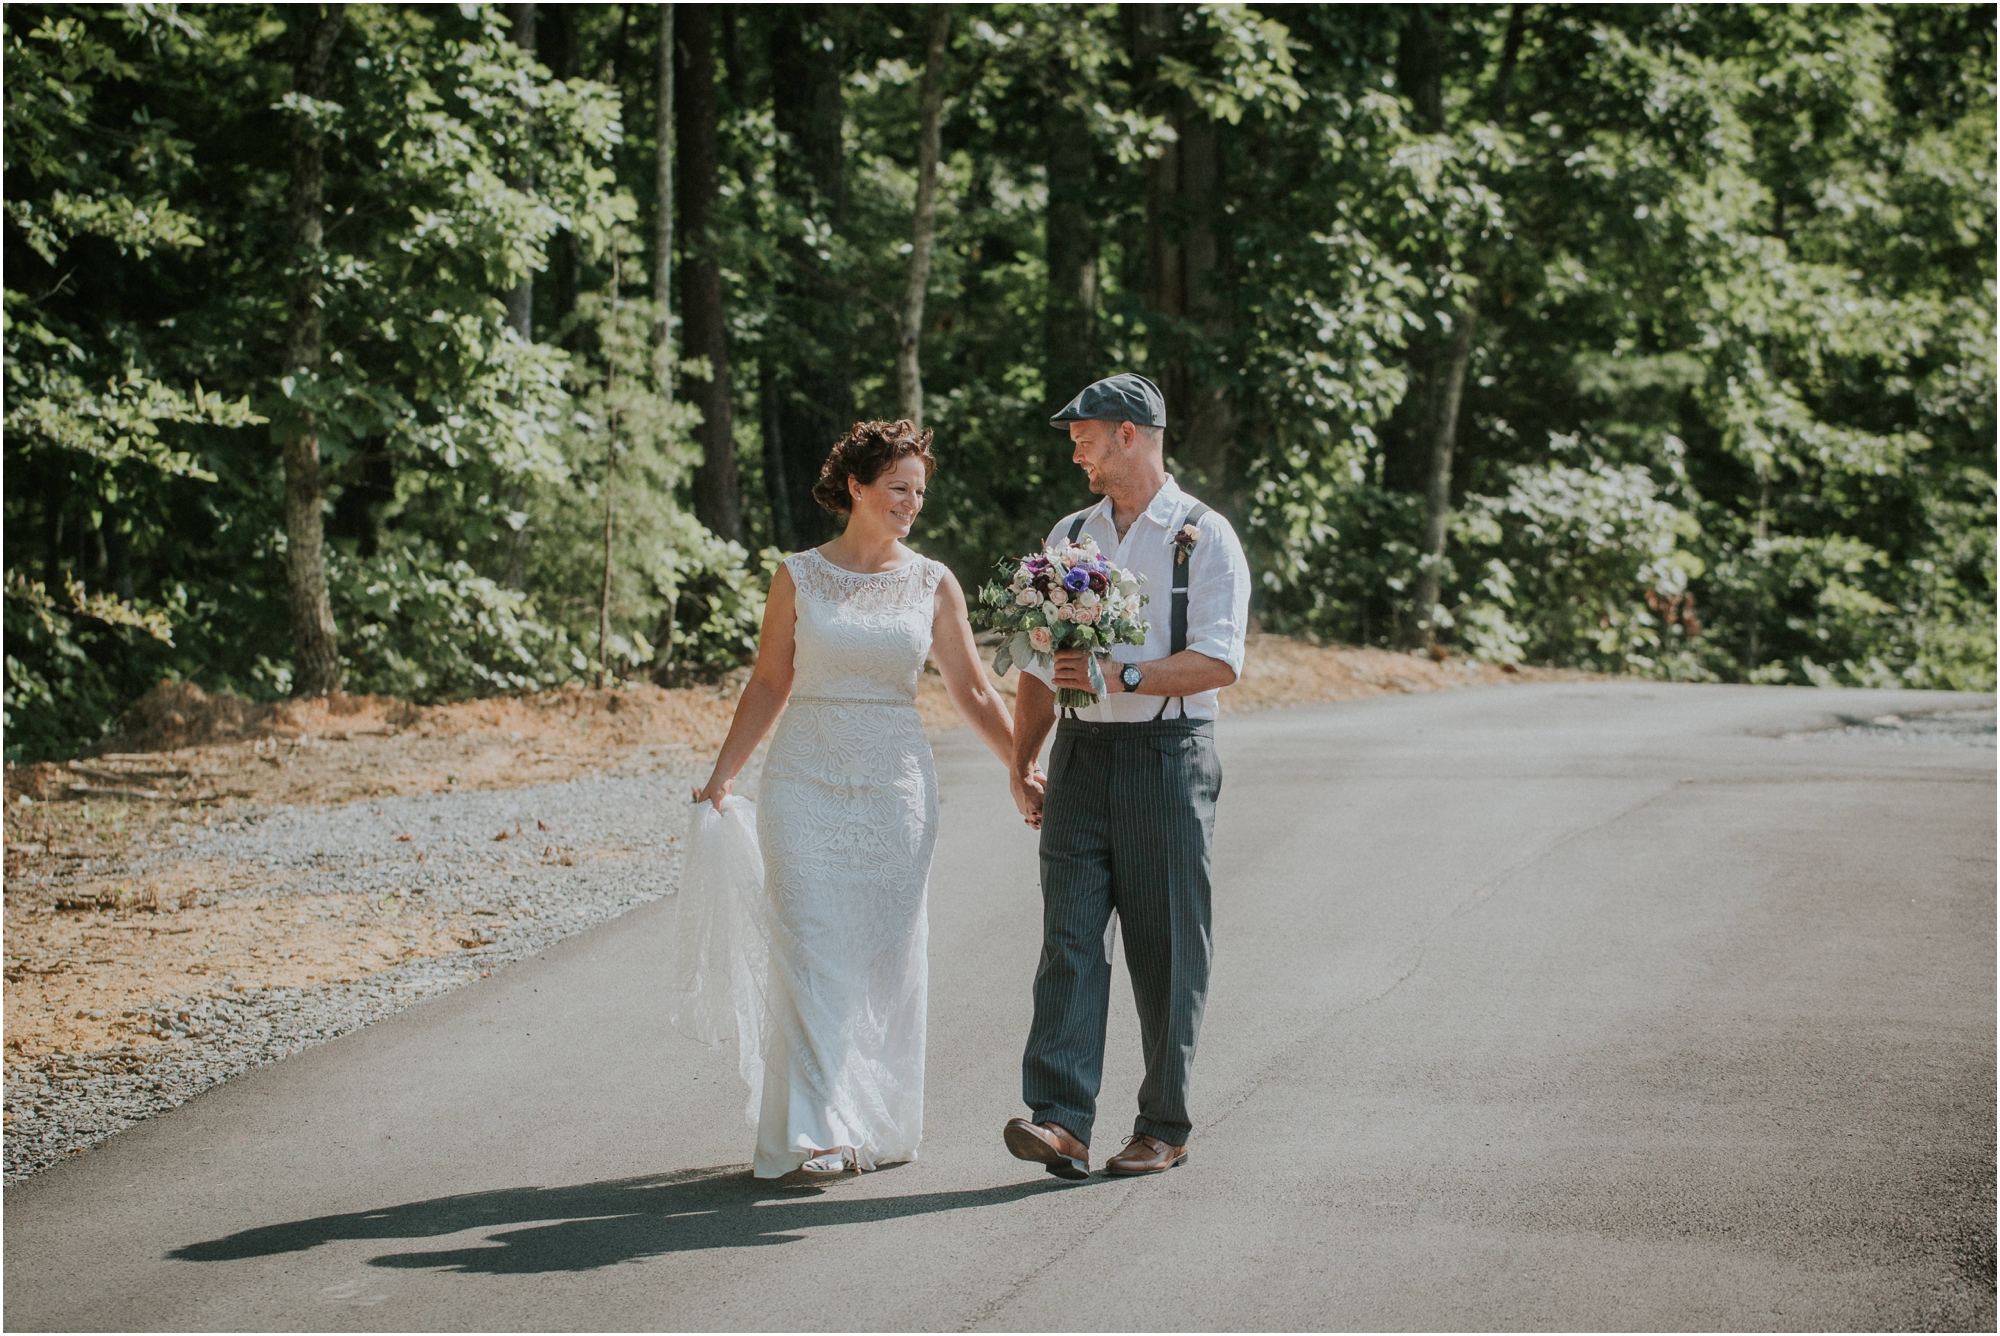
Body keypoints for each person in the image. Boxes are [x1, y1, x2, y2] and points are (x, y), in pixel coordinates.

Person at [692, 419, 1041, 1179]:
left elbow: (973, 690)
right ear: (855, 486)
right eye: (897, 488)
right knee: (813, 948)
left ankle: (872, 1117)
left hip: (895, 791)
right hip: (803, 783)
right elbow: (769, 680)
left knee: (883, 961)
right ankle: (819, 1127)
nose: (911, 503)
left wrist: (1020, 765)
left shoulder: (932, 581)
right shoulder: (798, 575)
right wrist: (724, 775)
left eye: (919, 492)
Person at [1002, 373, 1252, 1179]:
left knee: (1167, 946)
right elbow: (1042, 660)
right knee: (1068, 938)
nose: (1074, 446)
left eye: (1086, 433)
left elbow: (1220, 660)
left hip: (1166, 760)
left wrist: (1127, 675)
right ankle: (1061, 1120)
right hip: (1079, 760)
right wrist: (1023, 759)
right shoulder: (1072, 531)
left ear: (1131, 435)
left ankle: (1163, 1123)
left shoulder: (1202, 537)